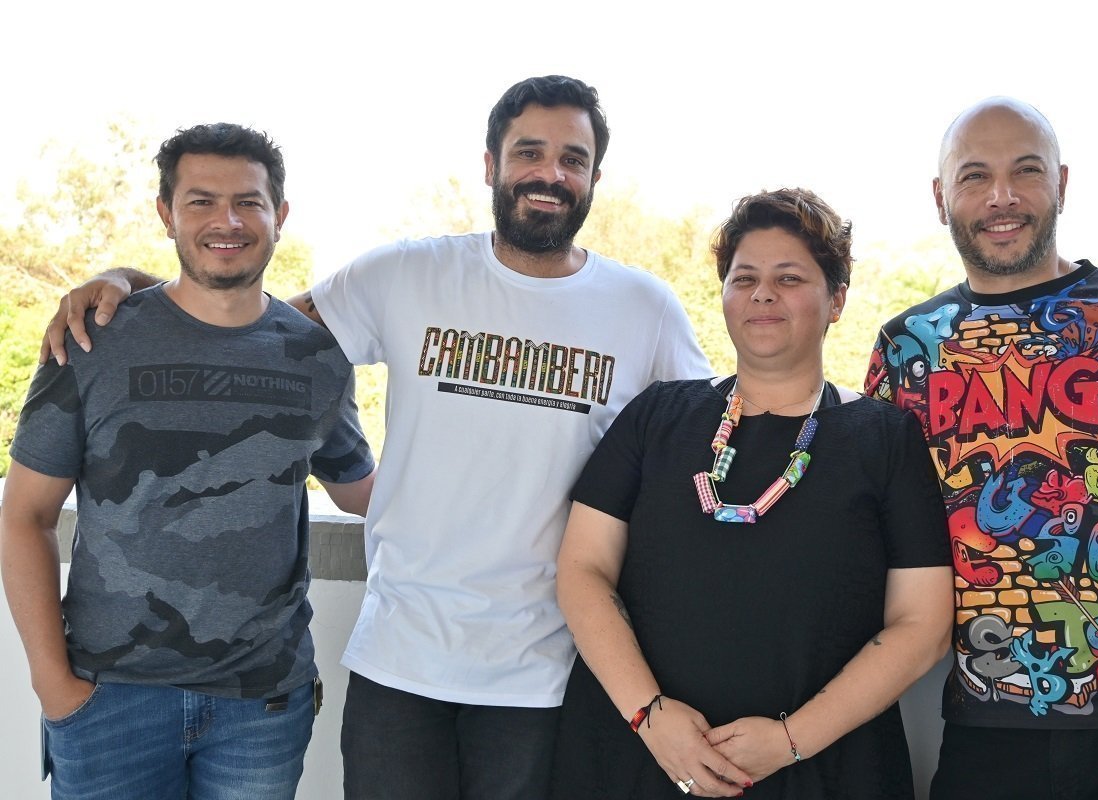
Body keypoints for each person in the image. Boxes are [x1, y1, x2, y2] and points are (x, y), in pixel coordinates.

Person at [39, 75, 712, 799]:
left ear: (594, 178)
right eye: (529, 152)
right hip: (400, 659)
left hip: (548, 670)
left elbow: (715, 442)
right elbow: (239, 323)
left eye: (572, 159)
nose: (549, 173)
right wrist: (129, 279)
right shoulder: (406, 273)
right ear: (491, 164)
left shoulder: (644, 308)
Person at [1, 123, 375, 799]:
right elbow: (25, 516)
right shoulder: (92, 340)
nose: (226, 221)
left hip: (260, 704)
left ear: (279, 216)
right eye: (201, 201)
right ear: (165, 213)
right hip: (108, 698)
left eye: (248, 202)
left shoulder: (317, 359)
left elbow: (363, 493)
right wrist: (52, 685)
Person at [550, 188, 952, 799]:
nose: (763, 293)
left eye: (790, 277)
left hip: (824, 771)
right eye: (745, 278)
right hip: (638, 760)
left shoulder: (885, 438)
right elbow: (582, 568)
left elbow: (921, 624)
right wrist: (650, 717)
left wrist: (790, 741)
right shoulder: (657, 415)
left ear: (836, 299)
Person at [865, 97, 1098, 799]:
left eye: (1026, 171)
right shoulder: (906, 350)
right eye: (975, 176)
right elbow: (873, 540)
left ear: (1063, 182)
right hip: (990, 723)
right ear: (940, 197)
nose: (1002, 197)